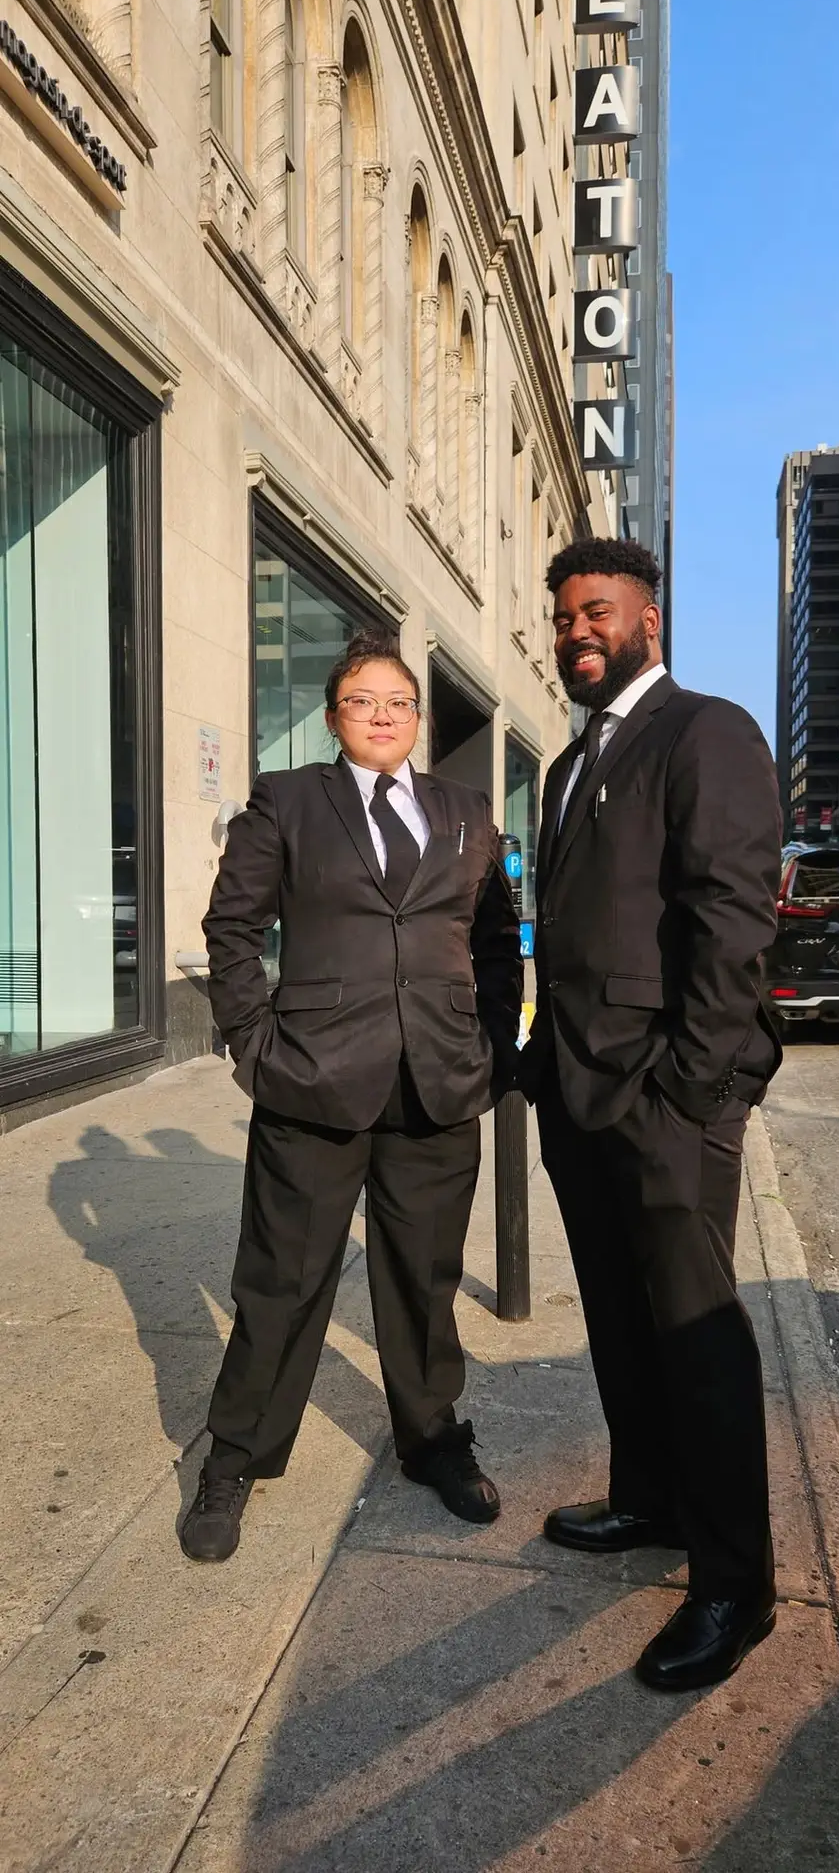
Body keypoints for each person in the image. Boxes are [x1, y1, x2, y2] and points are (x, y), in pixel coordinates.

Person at [180, 633, 522, 1562]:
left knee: (424, 1279)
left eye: (399, 702)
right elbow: (232, 927)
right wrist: (256, 1046)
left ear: (420, 719)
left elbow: (496, 939)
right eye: (363, 701)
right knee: (283, 1281)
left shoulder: (465, 811)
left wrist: (493, 1045)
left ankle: (433, 1439)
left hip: (438, 1082)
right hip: (313, 1082)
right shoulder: (289, 799)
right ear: (334, 717)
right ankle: (236, 1456)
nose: (382, 715)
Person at [518, 537, 783, 1693]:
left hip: (665, 1099)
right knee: (620, 1319)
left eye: (598, 613)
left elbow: (734, 920)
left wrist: (695, 1088)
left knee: (696, 1336)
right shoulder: (566, 766)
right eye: (564, 617)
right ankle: (650, 1501)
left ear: (648, 622)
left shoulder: (706, 732)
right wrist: (542, 1064)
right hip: (578, 1091)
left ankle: (735, 1584)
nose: (578, 632)